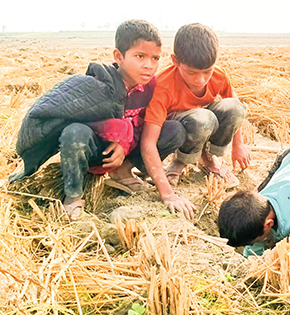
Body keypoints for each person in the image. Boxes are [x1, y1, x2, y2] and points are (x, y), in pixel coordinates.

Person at [9, 19, 172, 219]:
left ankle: (123, 173)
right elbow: (62, 118)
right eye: (140, 56)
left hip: (125, 155)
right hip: (96, 151)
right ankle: (73, 197)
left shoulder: (151, 88)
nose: (149, 65)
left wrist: (125, 143)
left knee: (174, 129)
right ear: (118, 57)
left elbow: (148, 123)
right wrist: (118, 132)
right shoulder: (97, 85)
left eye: (155, 58)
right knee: (75, 131)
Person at [141, 23, 251, 219]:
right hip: (178, 128)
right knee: (203, 118)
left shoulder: (219, 76)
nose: (201, 80)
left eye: (207, 72)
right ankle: (180, 162)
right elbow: (148, 141)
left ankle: (209, 159)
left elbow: (234, 104)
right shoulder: (163, 86)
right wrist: (167, 194)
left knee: (234, 108)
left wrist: (238, 145)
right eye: (192, 73)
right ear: (175, 61)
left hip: (203, 122)